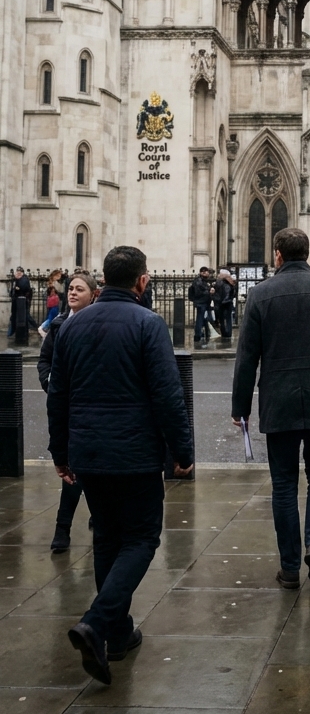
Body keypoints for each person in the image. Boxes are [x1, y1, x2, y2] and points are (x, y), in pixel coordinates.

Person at [47, 245, 194, 686]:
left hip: (88, 455)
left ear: (104, 279)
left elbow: (57, 396)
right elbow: (168, 396)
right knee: (142, 538)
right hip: (133, 455)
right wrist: (182, 452)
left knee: (107, 536)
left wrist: (60, 453)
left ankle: (117, 633)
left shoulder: (72, 327)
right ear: (142, 282)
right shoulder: (148, 324)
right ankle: (97, 621)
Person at [231, 228, 310, 589]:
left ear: (277, 255)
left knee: (284, 483)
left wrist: (240, 407)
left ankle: (289, 568)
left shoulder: (259, 295)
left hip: (279, 399)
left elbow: (246, 360)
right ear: (308, 253)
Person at [37, 271, 98, 551]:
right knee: (72, 470)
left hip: (92, 408)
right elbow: (45, 361)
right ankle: (63, 529)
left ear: (93, 294)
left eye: (79, 289)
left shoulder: (98, 325)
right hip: (67, 408)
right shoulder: (60, 325)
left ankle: (93, 517)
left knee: (92, 469)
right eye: (70, 289)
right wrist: (51, 383)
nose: (72, 293)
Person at [188, 266, 212, 346]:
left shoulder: (203, 281)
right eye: (207, 272)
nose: (208, 274)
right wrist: (209, 291)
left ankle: (203, 333)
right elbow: (199, 293)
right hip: (201, 303)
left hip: (203, 303)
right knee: (200, 319)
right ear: (202, 272)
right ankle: (198, 335)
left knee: (202, 319)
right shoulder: (198, 281)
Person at [7, 267, 33, 337]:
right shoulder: (16, 280)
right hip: (17, 301)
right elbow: (14, 289)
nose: (17, 274)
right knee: (15, 317)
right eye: (17, 272)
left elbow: (22, 288)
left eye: (19, 273)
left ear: (21, 273)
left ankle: (34, 326)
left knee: (24, 317)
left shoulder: (24, 279)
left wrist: (17, 286)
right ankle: (12, 331)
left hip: (22, 302)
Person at [214, 269, 237, 339]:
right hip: (228, 302)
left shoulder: (219, 283)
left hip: (222, 302)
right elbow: (233, 292)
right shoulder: (231, 282)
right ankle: (228, 333)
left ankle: (224, 333)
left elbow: (218, 293)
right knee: (228, 318)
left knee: (222, 319)